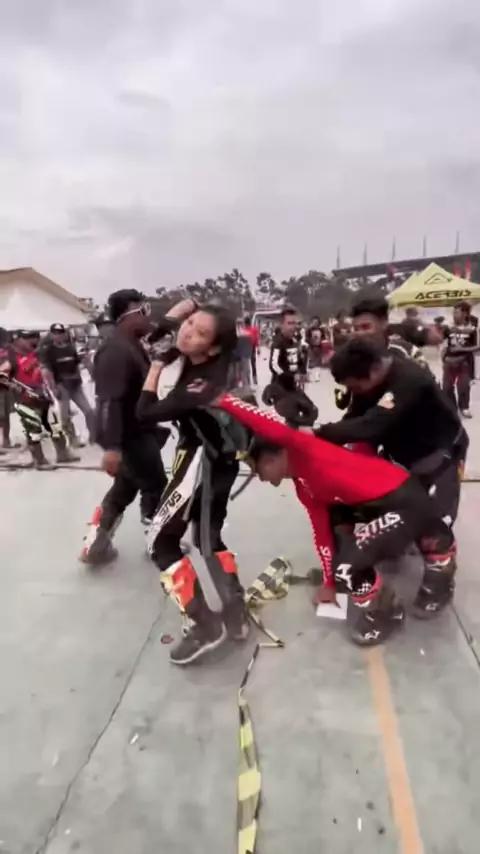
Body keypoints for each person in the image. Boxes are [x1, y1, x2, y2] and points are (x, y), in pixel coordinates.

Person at [215, 393, 456, 644]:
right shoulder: (304, 486)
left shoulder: (306, 449)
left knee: (346, 568)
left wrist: (223, 400)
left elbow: (272, 426)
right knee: (337, 535)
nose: (262, 478)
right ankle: (420, 551)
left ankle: (388, 611)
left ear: (272, 457)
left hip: (405, 501)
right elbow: (321, 533)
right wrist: (329, 583)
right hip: (379, 504)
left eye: (258, 470)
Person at [136, 302, 250, 666]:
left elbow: (145, 413)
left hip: (203, 461)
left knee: (161, 542)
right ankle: (235, 615)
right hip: (215, 460)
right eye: (189, 324)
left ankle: (205, 625)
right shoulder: (201, 362)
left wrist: (156, 365)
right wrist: (179, 318)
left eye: (200, 332)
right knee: (207, 538)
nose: (187, 332)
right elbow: (170, 323)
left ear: (213, 348)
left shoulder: (202, 383)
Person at [316, 339, 465, 608]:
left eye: (355, 386)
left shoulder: (409, 380)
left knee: (433, 523)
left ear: (374, 370)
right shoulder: (368, 384)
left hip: (439, 453)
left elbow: (372, 424)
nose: (354, 392)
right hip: (402, 454)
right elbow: (355, 418)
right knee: (400, 510)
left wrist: (320, 433)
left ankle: (440, 584)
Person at [81, 289, 178, 565]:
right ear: (127, 315)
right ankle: (158, 543)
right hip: (130, 434)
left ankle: (96, 545)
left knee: (124, 488)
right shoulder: (115, 350)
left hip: (136, 431)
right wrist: (112, 447)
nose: (148, 317)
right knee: (155, 486)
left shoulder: (131, 344)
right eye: (143, 311)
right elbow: (108, 401)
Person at [0, 329, 79, 469]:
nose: (34, 341)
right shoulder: (11, 357)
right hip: (27, 399)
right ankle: (39, 460)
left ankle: (62, 454)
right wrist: (19, 389)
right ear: (19, 340)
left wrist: (52, 387)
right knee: (33, 430)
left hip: (44, 395)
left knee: (54, 426)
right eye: (29, 338)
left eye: (35, 337)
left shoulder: (38, 353)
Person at [41, 323, 96, 444]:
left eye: (60, 333)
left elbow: (77, 363)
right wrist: (53, 387)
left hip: (75, 384)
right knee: (65, 416)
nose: (58, 335)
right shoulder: (49, 351)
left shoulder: (70, 348)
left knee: (89, 411)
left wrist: (86, 372)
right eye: (55, 333)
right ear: (51, 334)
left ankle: (94, 436)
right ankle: (72, 439)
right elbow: (47, 371)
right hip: (61, 385)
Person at [441, 302, 476, 418]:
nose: (454, 315)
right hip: (449, 362)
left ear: (465, 314)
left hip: (464, 362)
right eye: (453, 313)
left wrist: (461, 349)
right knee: (446, 387)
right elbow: (441, 341)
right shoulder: (449, 328)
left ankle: (464, 408)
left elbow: (477, 346)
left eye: (456, 313)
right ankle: (452, 408)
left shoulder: (472, 329)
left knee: (463, 387)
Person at [269, 307, 302, 387]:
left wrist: (302, 373)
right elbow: (274, 366)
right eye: (290, 323)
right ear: (281, 325)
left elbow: (298, 361)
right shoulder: (278, 343)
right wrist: (289, 377)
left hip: (293, 387)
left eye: (295, 323)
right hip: (280, 387)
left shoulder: (295, 341)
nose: (294, 326)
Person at [243, 315, 260, 384]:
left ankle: (253, 378)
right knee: (249, 364)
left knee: (252, 364)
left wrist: (258, 348)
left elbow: (256, 339)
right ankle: (250, 379)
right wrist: (258, 348)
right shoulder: (245, 330)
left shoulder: (252, 330)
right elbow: (256, 339)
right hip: (248, 348)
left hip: (250, 348)